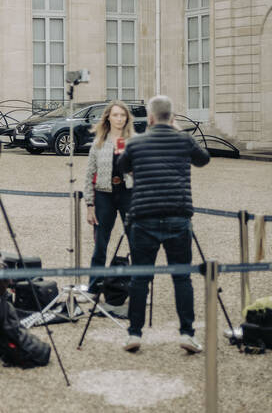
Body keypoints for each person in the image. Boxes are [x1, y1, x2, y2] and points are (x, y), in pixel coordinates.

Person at [115, 95, 209, 355]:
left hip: (144, 215)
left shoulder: (136, 142)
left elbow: (122, 167)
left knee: (140, 278)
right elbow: (203, 160)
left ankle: (134, 333)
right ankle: (187, 334)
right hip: (177, 215)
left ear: (151, 117)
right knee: (182, 278)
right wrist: (179, 131)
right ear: (172, 117)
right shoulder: (184, 140)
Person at [83, 100, 135, 291]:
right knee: (101, 243)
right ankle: (95, 286)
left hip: (128, 194)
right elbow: (89, 174)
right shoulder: (99, 143)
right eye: (115, 115)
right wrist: (90, 204)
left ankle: (138, 287)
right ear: (108, 118)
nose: (119, 119)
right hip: (104, 195)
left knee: (135, 240)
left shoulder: (132, 142)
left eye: (122, 115)